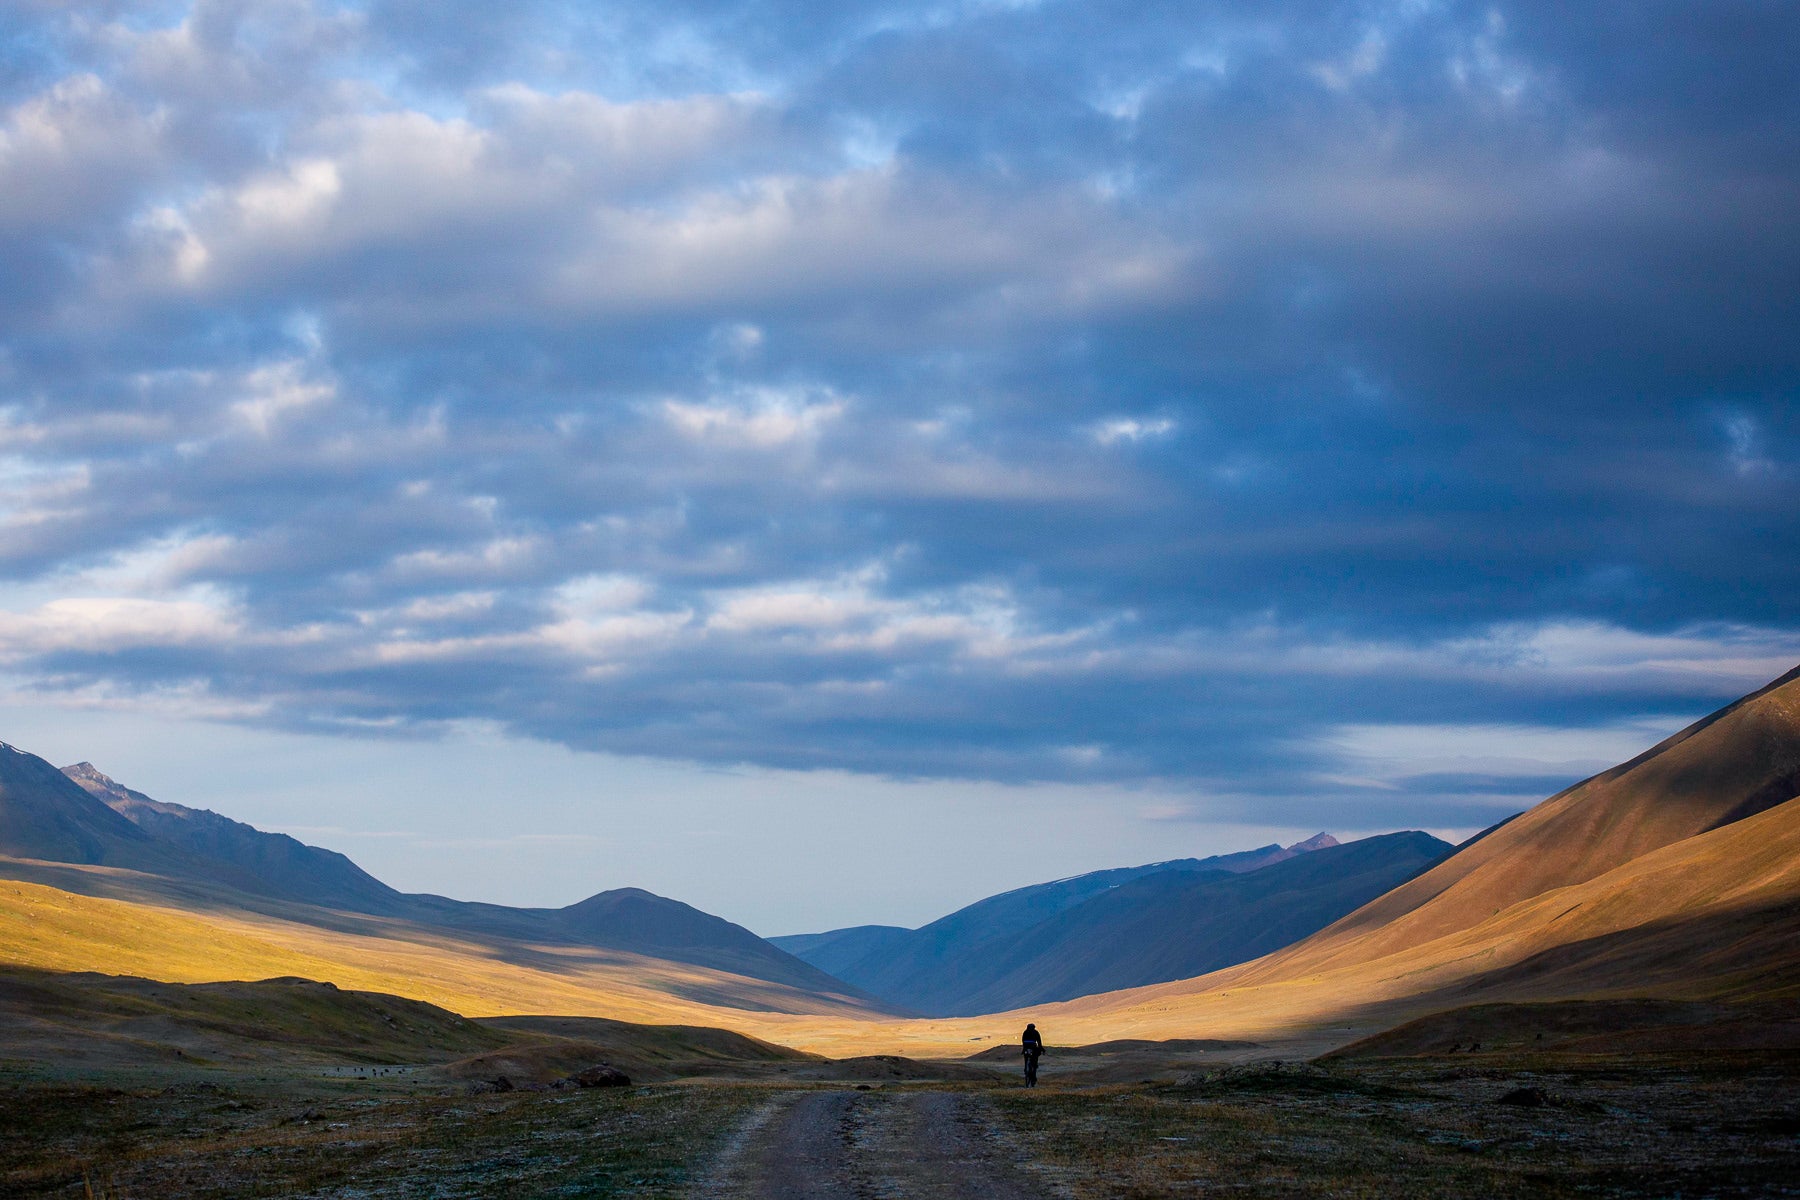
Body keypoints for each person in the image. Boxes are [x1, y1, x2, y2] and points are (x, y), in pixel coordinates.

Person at [1021, 1022, 1044, 1087]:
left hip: (1026, 1048)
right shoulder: (1036, 1032)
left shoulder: (1025, 1032)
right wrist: (1041, 1048)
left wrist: (1024, 1048)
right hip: (1033, 1047)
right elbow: (1039, 1042)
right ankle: (1033, 1069)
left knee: (1026, 1059)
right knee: (1034, 1061)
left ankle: (1026, 1068)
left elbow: (1023, 1041)